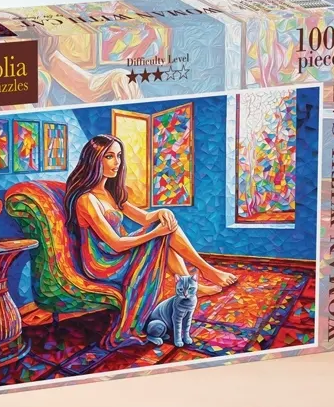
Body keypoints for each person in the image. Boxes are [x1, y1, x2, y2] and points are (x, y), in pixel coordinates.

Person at [64, 134, 237, 349]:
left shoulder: (110, 193)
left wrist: (161, 212)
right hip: (103, 261)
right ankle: (205, 271)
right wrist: (156, 233)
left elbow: (145, 218)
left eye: (119, 155)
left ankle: (194, 279)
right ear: (94, 159)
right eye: (109, 156)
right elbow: (115, 243)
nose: (117, 162)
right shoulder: (86, 199)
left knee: (164, 229)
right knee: (162, 234)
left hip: (117, 251)